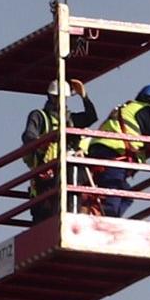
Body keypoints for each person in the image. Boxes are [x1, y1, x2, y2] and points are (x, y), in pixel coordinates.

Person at [21, 79, 98, 222]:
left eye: (63, 98)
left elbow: (91, 117)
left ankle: (71, 219)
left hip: (66, 170)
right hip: (46, 173)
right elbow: (28, 136)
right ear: (50, 97)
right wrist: (43, 142)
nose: (60, 101)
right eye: (57, 97)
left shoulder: (71, 119)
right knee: (43, 216)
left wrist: (84, 96)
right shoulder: (40, 116)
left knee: (70, 191)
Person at [86, 84, 150, 218]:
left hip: (98, 149)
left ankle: (96, 211)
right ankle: (104, 217)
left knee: (126, 196)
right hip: (114, 152)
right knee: (114, 195)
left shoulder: (125, 108)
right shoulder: (144, 109)